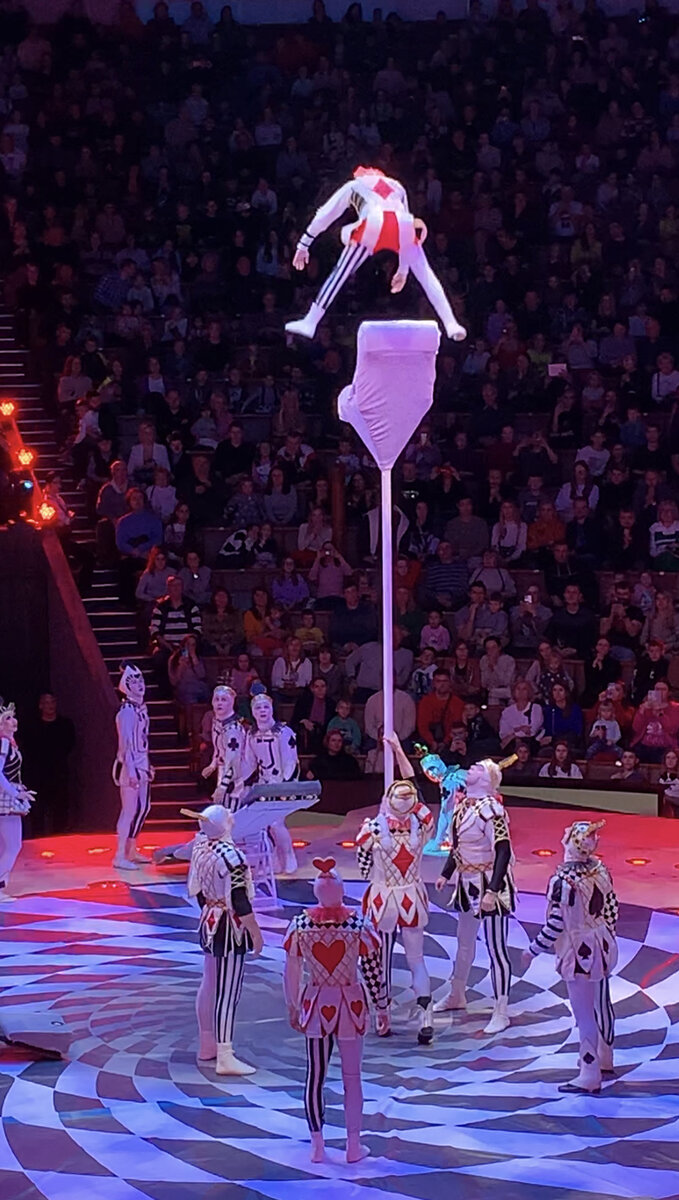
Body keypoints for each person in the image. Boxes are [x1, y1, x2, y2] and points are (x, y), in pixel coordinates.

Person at [286, 166, 466, 342]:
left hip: (373, 223)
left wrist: (304, 244)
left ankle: (311, 321)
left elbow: (325, 215)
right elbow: (404, 220)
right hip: (403, 224)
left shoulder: (354, 185)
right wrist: (403, 270)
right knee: (426, 274)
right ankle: (451, 323)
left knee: (340, 271)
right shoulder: (397, 186)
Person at [283, 856, 384, 1163]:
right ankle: (353, 1145)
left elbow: (291, 970)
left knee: (315, 1075)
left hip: (315, 1005)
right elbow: (372, 968)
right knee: (352, 1077)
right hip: (351, 1005)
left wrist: (292, 1004)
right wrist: (382, 1005)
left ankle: (317, 1144)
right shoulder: (359, 925)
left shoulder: (299, 925)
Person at [525, 820, 618, 1093]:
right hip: (602, 943)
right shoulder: (601, 871)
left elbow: (556, 924)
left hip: (578, 950)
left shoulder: (563, 881)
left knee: (584, 1013)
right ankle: (604, 1057)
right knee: (601, 1002)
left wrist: (533, 950)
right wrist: (605, 932)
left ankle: (589, 1072)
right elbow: (612, 907)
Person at [356, 733, 435, 1043]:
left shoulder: (372, 827)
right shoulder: (423, 823)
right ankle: (425, 1016)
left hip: (382, 898)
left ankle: (382, 1013)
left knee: (379, 957)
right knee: (417, 959)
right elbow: (417, 789)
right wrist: (399, 751)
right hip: (411, 896)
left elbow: (362, 865)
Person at [435, 756, 515, 1033]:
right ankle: (457, 993)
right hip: (466, 883)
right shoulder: (462, 807)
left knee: (495, 949)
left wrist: (493, 890)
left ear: (487, 778)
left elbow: (502, 850)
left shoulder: (492, 809)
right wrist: (446, 873)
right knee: (463, 942)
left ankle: (501, 1009)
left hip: (490, 883)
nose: (470, 768)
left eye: (477, 767)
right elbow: (457, 847)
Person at [185, 804, 263, 1075]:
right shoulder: (232, 857)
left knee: (209, 984)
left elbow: (196, 890)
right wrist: (255, 932)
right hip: (229, 926)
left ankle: (207, 1043)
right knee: (227, 992)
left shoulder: (200, 849)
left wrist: (211, 909)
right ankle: (225, 1054)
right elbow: (240, 900)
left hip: (209, 920)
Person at [243, 689, 300, 875]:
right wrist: (239, 782)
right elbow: (249, 763)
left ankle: (289, 855)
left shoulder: (283, 732)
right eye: (258, 707)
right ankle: (274, 858)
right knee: (265, 825)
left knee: (276, 823)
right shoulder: (251, 735)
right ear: (253, 711)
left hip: (281, 784)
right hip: (263, 785)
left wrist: (285, 786)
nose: (262, 711)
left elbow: (290, 761)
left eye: (266, 707)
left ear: (272, 709)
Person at [111, 663, 154, 871]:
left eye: (140, 680)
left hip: (141, 764)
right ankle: (120, 854)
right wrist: (132, 770)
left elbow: (142, 741)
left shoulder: (141, 710)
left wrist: (147, 764)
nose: (139, 685)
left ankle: (131, 848)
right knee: (129, 811)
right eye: (134, 682)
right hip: (131, 768)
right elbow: (126, 744)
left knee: (143, 808)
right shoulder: (127, 711)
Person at [24, 693, 75, 836]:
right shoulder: (32, 726)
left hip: (59, 773)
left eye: (52, 702)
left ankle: (59, 838)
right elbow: (28, 748)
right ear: (41, 705)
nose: (50, 705)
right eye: (46, 702)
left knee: (60, 809)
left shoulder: (65, 724)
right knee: (38, 811)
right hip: (37, 774)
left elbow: (69, 745)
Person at [0, 698, 33, 896]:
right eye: (8, 719)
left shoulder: (9, 742)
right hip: (5, 798)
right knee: (13, 845)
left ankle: (2, 882)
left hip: (7, 795)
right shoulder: (3, 743)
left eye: (14, 717)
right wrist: (15, 792)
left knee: (8, 845)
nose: (14, 721)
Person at [168, 634, 209, 706]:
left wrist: (194, 659)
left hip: (199, 688)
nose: (190, 647)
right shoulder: (174, 659)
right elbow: (174, 681)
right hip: (184, 689)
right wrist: (181, 666)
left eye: (193, 645)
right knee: (189, 692)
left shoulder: (198, 659)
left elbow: (202, 675)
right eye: (188, 644)